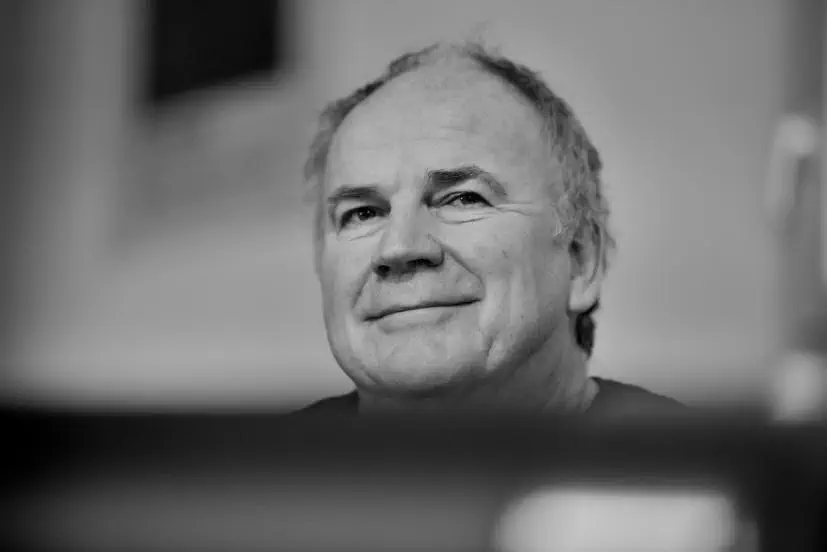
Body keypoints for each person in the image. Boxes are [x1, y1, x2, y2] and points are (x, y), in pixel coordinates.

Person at [299, 41, 682, 416]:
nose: (398, 248)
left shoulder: (691, 455)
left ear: (581, 260)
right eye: (363, 213)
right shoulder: (265, 458)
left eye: (463, 199)